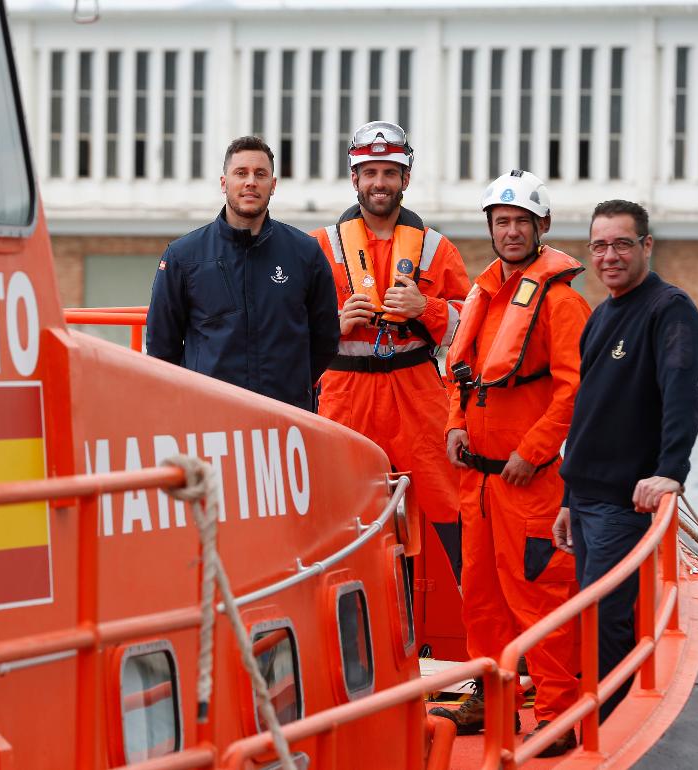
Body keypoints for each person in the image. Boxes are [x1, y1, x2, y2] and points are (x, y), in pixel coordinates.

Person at [433, 170, 589, 756]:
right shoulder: (484, 295)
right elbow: (462, 378)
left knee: (540, 599)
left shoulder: (563, 302)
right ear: (492, 228)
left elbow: (574, 390)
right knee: (482, 603)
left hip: (530, 485)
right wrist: (452, 424)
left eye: (522, 221)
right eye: (503, 222)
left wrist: (532, 451)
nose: (512, 231)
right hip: (475, 481)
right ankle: (498, 710)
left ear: (541, 226)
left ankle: (556, 715)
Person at [553, 200, 698, 719]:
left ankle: (606, 726)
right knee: (593, 616)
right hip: (588, 502)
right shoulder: (601, 316)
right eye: (599, 245)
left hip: (624, 505)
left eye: (622, 243)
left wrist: (670, 472)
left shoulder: (670, 309)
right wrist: (569, 498)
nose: (609, 256)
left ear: (646, 245)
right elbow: (586, 414)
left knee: (605, 619)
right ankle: (596, 716)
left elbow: (682, 392)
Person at [310, 121, 470, 574]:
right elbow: (289, 328)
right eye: (370, 172)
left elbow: (471, 331)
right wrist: (332, 325)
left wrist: (427, 308)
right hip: (344, 397)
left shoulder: (437, 250)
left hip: (418, 396)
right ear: (354, 178)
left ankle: (481, 631)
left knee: (452, 508)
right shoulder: (319, 247)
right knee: (337, 513)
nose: (379, 182)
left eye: (389, 172)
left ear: (405, 178)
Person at [146, 136, 340, 410]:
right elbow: (161, 348)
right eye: (241, 173)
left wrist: (291, 385)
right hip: (210, 418)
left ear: (273, 186)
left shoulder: (305, 253)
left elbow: (326, 339)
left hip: (285, 416)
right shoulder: (183, 255)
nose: (251, 181)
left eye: (260, 174)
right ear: (224, 183)